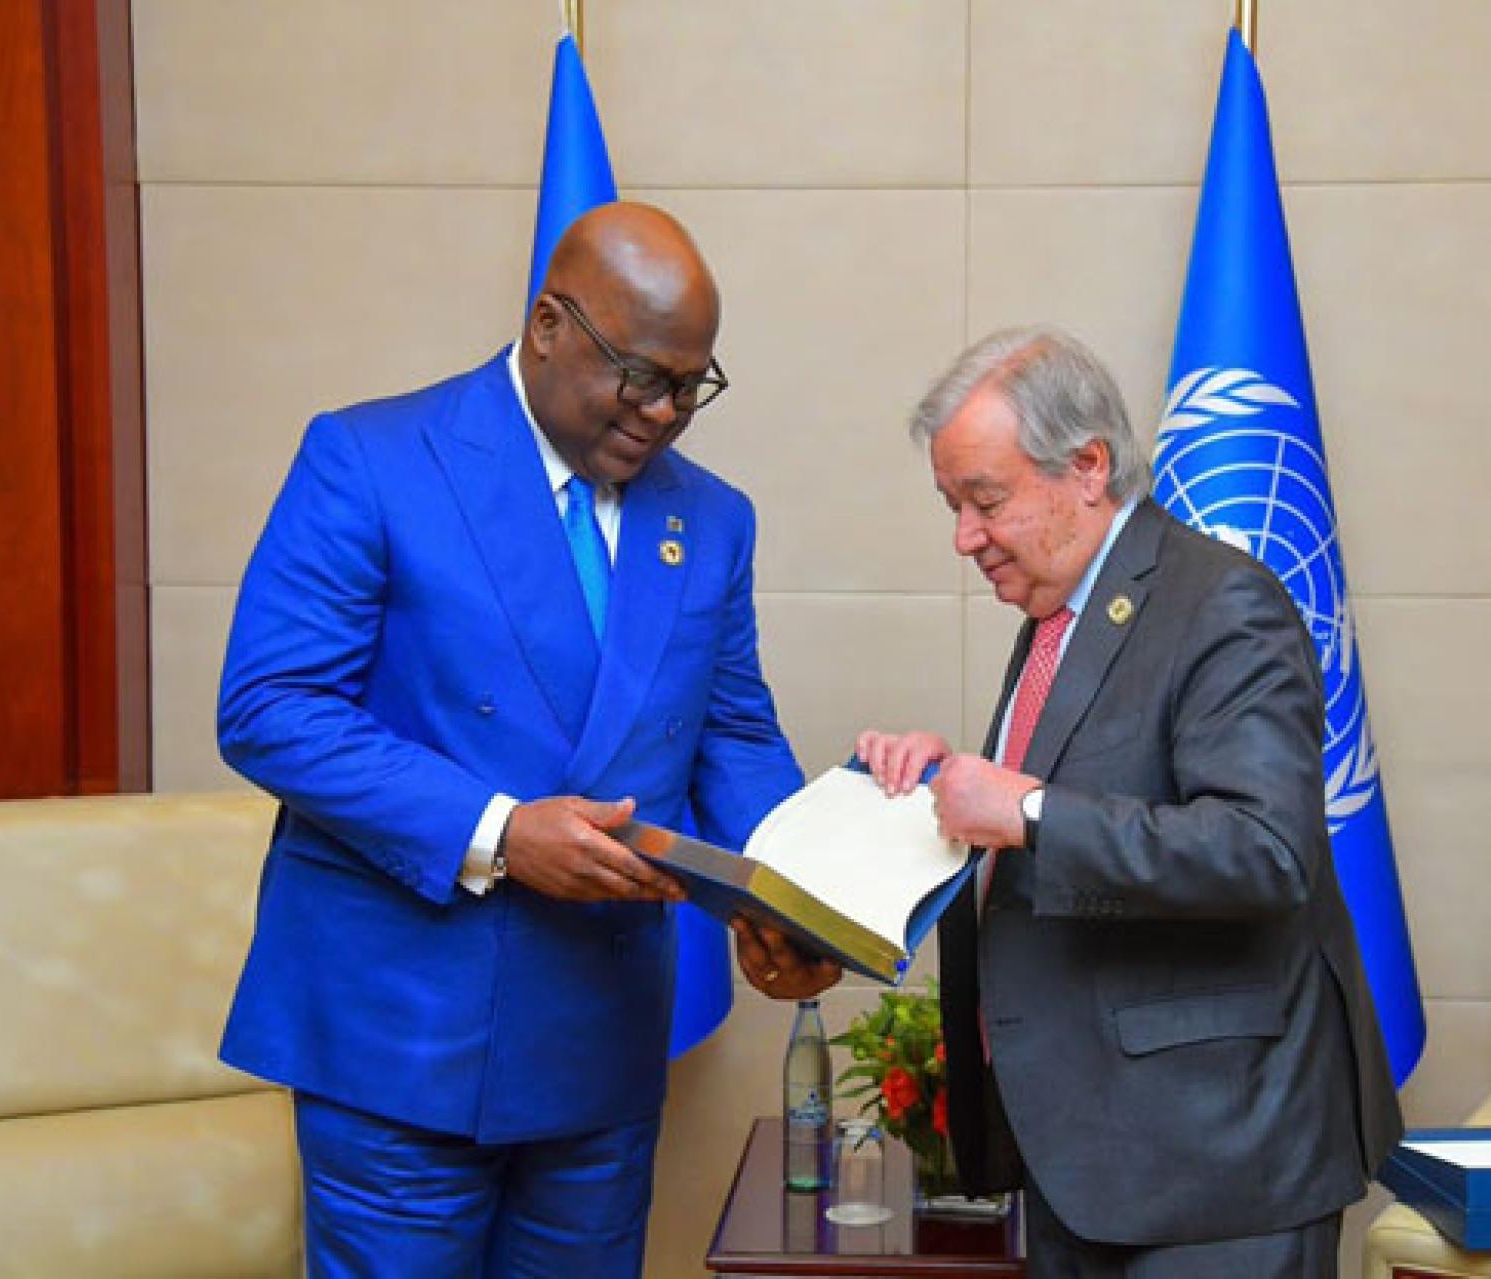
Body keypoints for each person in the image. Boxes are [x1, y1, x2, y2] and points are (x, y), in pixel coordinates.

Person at [217, 201, 836, 1278]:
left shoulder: (714, 518)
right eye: (639, 376)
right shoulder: (372, 459)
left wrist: (789, 898)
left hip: (598, 1041)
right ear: (549, 323)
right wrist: (498, 831)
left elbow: (731, 733)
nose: (664, 413)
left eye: (691, 386)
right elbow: (271, 705)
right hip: (401, 1040)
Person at [858, 327, 1403, 1278]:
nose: (965, 537)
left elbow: (1264, 847)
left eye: (985, 500)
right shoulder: (1059, 613)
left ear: (1088, 466)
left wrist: (1025, 811)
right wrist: (951, 780)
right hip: (1091, 1156)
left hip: (1215, 1170)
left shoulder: (1224, 602)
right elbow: (1098, 783)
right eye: (953, 506)